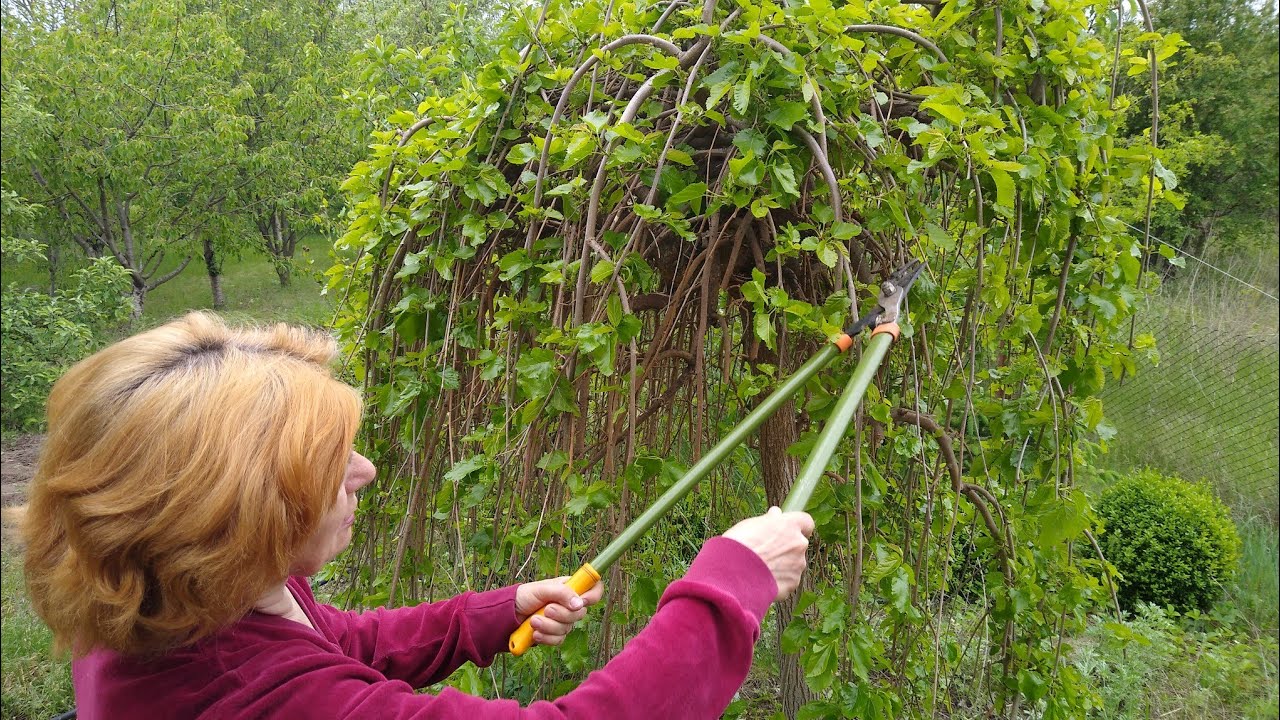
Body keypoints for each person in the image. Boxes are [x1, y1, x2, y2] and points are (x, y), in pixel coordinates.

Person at [14, 312, 814, 719]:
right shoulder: (253, 695)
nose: (365, 471)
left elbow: (330, 643)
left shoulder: (168, 592)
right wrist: (731, 586)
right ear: (237, 515)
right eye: (330, 466)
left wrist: (491, 614)